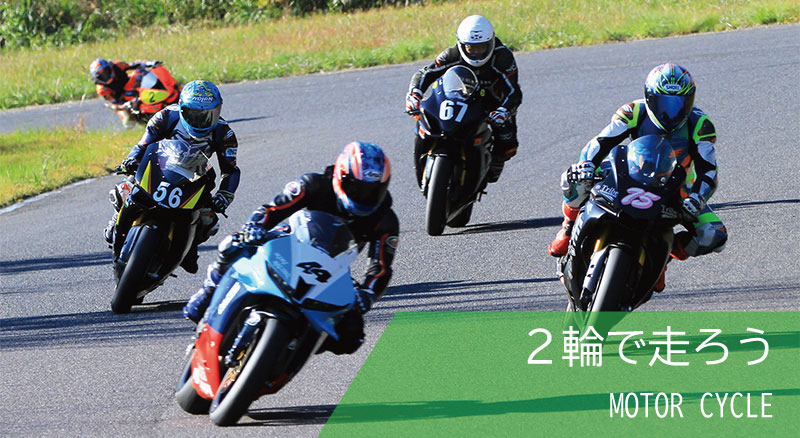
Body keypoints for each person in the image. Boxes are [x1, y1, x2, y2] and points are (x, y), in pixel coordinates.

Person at [183, 141, 399, 355]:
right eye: (356, 187)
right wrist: (254, 227)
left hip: (331, 268)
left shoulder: (385, 220)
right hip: (290, 242)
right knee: (235, 244)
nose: (363, 196)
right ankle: (208, 291)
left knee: (351, 334)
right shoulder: (314, 184)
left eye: (373, 191)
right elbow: (272, 209)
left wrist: (367, 294)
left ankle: (292, 351)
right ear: (341, 175)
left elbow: (380, 267)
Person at [547, 63, 727, 291]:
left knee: (714, 235)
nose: (671, 113)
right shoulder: (634, 111)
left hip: (677, 188)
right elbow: (600, 143)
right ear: (650, 98)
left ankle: (665, 255)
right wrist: (586, 165)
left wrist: (698, 197)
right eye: (664, 103)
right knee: (573, 178)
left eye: (679, 104)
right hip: (631, 172)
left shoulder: (700, 124)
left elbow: (709, 170)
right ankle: (569, 226)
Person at [104, 80, 240, 275]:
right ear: (182, 109)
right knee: (124, 187)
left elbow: (231, 170)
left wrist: (225, 195)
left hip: (193, 178)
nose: (202, 121)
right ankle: (116, 219)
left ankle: (187, 251)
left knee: (209, 220)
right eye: (195, 115)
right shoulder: (166, 116)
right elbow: (143, 144)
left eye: (209, 114)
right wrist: (131, 160)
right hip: (158, 167)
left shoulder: (224, 133)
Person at [405, 14, 522, 184]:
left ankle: (494, 163)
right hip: (461, 96)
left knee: (508, 143)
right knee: (427, 118)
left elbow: (514, 91)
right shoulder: (452, 54)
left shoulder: (503, 57)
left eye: (481, 47)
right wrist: (414, 94)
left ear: (491, 43)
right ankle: (426, 154)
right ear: (461, 44)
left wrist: (504, 111)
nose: (476, 53)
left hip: (496, 102)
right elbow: (425, 73)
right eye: (471, 48)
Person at [90, 58, 173, 125]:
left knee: (139, 74)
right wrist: (126, 105)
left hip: (130, 86)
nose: (105, 76)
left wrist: (149, 63)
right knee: (128, 122)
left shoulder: (118, 65)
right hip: (123, 100)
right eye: (102, 76)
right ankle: (148, 122)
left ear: (110, 68)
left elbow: (135, 64)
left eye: (106, 72)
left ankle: (165, 91)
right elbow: (115, 103)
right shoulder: (102, 90)